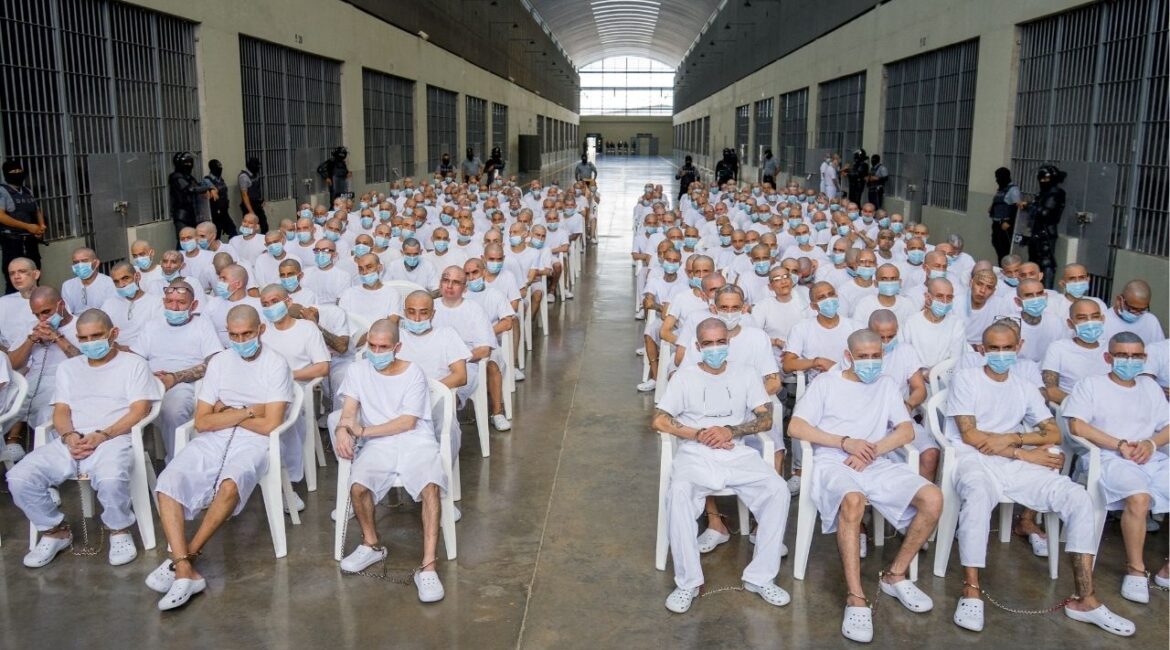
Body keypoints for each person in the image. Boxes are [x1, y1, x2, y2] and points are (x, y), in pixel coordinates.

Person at [945, 322, 1133, 637]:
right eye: (993, 348)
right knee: (977, 495)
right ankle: (971, 590)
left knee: (1078, 499)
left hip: (1016, 462)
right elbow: (972, 435)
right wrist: (1025, 451)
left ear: (1019, 347)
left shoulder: (1024, 386)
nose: (1001, 354)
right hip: (975, 461)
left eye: (1007, 348)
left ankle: (1085, 598)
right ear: (982, 350)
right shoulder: (967, 379)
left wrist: (1015, 439)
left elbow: (1054, 431)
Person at [790, 329, 941, 643]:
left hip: (875, 460)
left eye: (876, 356)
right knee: (854, 499)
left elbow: (905, 431)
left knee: (933, 497)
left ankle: (895, 574)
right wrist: (846, 443)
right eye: (864, 357)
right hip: (834, 461)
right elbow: (796, 426)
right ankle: (856, 596)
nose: (871, 362)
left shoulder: (885, 386)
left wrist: (873, 450)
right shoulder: (826, 383)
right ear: (849, 357)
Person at [149, 304, 293, 611]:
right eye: (234, 335)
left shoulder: (276, 364)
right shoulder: (220, 363)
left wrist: (227, 412)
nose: (241, 341)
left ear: (261, 331)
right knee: (167, 482)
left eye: (247, 334)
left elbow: (270, 424)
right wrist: (250, 409)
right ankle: (184, 567)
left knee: (230, 484)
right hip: (213, 438)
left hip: (256, 442)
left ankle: (187, 557)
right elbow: (202, 421)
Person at [652, 318, 790, 615]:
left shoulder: (747, 374)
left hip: (735, 451)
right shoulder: (685, 377)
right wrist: (698, 433)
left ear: (728, 342)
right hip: (696, 453)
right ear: (698, 347)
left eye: (720, 342)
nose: (715, 348)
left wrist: (731, 430)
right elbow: (659, 419)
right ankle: (688, 582)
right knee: (678, 494)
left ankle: (761, 577)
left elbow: (765, 419)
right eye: (708, 344)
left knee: (778, 490)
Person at [8, 308, 161, 568]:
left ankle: (119, 530)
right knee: (18, 477)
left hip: (114, 437)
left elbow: (139, 410)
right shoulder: (69, 368)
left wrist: (103, 435)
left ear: (114, 333)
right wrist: (68, 436)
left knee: (111, 478)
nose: (90, 343)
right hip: (72, 439)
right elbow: (61, 410)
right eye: (84, 338)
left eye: (96, 336)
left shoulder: (133, 364)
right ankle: (54, 530)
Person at [332, 318, 448, 602]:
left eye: (383, 347)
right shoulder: (358, 370)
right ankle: (371, 544)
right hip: (378, 444)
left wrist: (362, 430)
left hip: (414, 440)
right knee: (358, 486)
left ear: (397, 347)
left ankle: (428, 566)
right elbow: (349, 410)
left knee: (430, 486)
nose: (376, 351)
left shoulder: (413, 373)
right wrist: (342, 428)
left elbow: (408, 422)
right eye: (371, 345)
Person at [1064, 333, 1169, 604]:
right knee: (1139, 497)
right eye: (1122, 355)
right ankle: (1135, 569)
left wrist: (1151, 444)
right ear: (1108, 357)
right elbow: (1077, 425)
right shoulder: (1092, 385)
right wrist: (1119, 444)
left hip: (1149, 458)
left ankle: (1168, 569)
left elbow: (1167, 425)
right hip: (1109, 458)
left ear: (1144, 358)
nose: (1129, 361)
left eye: (1136, 356)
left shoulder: (1150, 387)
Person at [133, 280, 222, 462]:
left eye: (181, 303)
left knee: (173, 411)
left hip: (184, 384)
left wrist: (175, 378)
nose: (174, 307)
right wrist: (148, 377)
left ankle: (177, 464)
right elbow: (135, 358)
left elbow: (215, 362)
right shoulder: (151, 326)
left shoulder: (202, 325)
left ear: (194, 305)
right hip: (149, 381)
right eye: (169, 301)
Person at [0, 159, 46, 291]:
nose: (17, 174)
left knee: (34, 275)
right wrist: (27, 226)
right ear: (6, 174)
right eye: (13, 171)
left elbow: (37, 211)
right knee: (14, 279)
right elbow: (1, 216)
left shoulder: (27, 191)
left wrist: (41, 226)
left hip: (30, 241)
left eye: (19, 171)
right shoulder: (3, 191)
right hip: (12, 242)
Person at [901, 278, 965, 369]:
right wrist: (921, 374)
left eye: (949, 297)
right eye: (939, 296)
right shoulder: (910, 323)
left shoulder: (957, 324)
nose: (945, 301)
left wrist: (935, 373)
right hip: (915, 377)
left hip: (945, 378)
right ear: (927, 297)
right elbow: (905, 357)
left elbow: (955, 360)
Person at [100, 261, 163, 351]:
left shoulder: (156, 303)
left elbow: (157, 336)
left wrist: (126, 349)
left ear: (137, 276)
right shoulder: (109, 304)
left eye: (125, 278)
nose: (121, 285)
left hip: (143, 353)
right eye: (116, 281)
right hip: (113, 352)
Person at [1020, 165, 1066, 287]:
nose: (1043, 182)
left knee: (1046, 262)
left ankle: (1047, 291)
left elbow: (1045, 213)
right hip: (1036, 231)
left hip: (1046, 232)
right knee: (1033, 262)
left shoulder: (1056, 193)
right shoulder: (1043, 193)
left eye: (1046, 179)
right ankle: (1032, 288)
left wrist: (1029, 206)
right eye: (1041, 179)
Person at [167, 152, 215, 240]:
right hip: (182, 215)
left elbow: (197, 187)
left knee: (193, 240)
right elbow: (190, 189)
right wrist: (208, 188)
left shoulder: (189, 177)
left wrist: (208, 189)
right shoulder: (176, 177)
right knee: (184, 240)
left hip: (192, 214)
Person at [1103, 279, 1165, 345]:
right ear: (1119, 300)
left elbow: (1160, 350)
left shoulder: (1151, 321)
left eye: (1143, 309)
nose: (1137, 314)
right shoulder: (1104, 320)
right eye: (1133, 308)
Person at [62, 247, 116, 315]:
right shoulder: (67, 286)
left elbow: (111, 311)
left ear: (96, 263)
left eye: (84, 261)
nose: (80, 265)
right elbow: (67, 313)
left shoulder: (109, 283)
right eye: (76, 262)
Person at [988, 167, 1022, 262]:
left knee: (1005, 251)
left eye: (998, 177)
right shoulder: (1001, 189)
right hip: (997, 224)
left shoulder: (1013, 190)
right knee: (998, 247)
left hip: (1005, 226)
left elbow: (1017, 209)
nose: (997, 180)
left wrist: (1009, 222)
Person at [204, 159, 237, 239]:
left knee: (232, 230)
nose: (220, 169)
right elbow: (210, 190)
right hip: (215, 212)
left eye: (220, 167)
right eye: (217, 167)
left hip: (224, 211)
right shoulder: (207, 180)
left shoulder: (220, 179)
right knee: (217, 233)